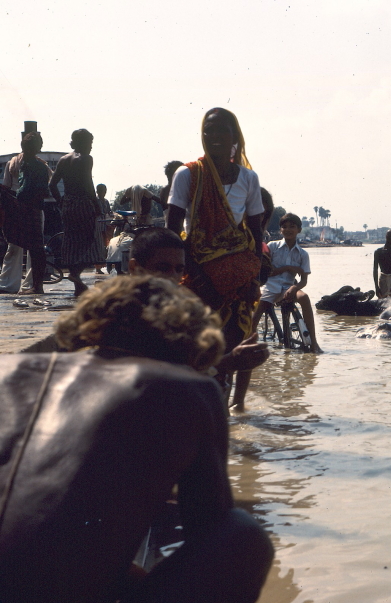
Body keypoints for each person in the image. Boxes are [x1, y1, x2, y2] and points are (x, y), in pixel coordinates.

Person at [0, 275, 273, 602]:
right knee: (242, 534)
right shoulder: (193, 389)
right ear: (187, 343)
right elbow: (209, 530)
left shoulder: (8, 369)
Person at [128, 227, 270, 408]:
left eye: (179, 269)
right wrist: (227, 362)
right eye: (162, 268)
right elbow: (153, 379)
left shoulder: (179, 313)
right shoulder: (120, 313)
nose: (172, 277)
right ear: (134, 268)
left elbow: (183, 366)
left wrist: (226, 362)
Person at [165, 108, 264, 355]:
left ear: (235, 137)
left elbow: (256, 232)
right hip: (197, 273)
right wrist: (196, 274)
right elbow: (173, 232)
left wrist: (254, 279)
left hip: (237, 279)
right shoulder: (187, 174)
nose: (215, 136)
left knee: (232, 346)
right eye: (209, 130)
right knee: (195, 348)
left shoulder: (249, 178)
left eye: (223, 130)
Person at [250, 213, 322, 353]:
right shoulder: (272, 246)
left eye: (292, 227)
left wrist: (294, 287)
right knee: (256, 313)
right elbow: (265, 271)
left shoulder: (303, 254)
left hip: (288, 287)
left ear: (299, 230)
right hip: (270, 287)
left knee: (304, 298)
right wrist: (288, 268)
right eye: (284, 227)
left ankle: (313, 342)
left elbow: (304, 280)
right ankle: (249, 344)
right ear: (280, 230)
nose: (288, 229)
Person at [49, 128, 106, 296]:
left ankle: (77, 286)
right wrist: (96, 205)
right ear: (82, 143)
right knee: (90, 241)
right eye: (89, 143)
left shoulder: (63, 160)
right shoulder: (86, 159)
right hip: (83, 204)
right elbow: (89, 185)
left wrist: (61, 202)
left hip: (68, 204)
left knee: (72, 242)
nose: (91, 147)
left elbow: (52, 185)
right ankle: (75, 274)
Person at [0, 132, 51, 294]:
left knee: (22, 247)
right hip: (25, 207)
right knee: (24, 247)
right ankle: (21, 284)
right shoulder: (33, 164)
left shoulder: (18, 163)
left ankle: (22, 284)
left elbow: (7, 187)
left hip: (23, 207)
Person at [373, 229, 391, 298]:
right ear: (389, 238)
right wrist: (376, 287)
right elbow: (375, 270)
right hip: (383, 279)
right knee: (383, 302)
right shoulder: (378, 252)